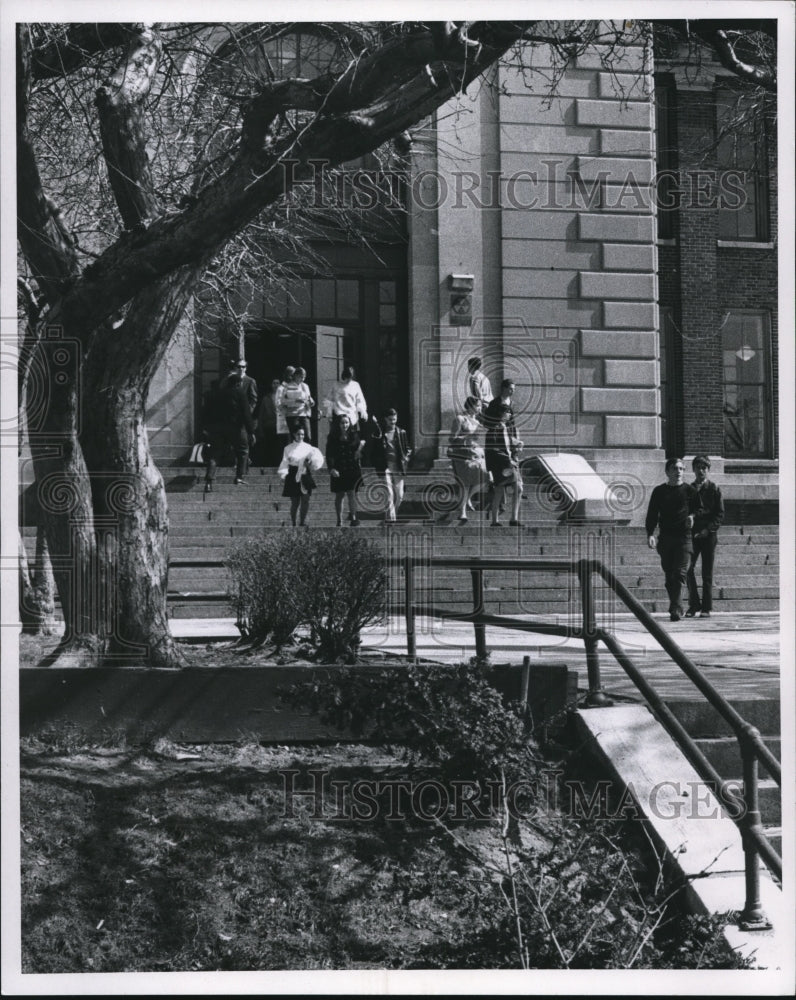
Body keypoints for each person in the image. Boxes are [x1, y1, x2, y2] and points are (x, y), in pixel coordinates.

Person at [645, 457, 698, 622]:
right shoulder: (659, 491)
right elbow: (652, 514)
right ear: (667, 472)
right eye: (675, 468)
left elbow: (700, 509)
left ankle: (675, 608)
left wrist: (693, 516)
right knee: (669, 575)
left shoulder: (690, 491)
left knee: (679, 573)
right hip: (666, 538)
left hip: (684, 538)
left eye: (681, 469)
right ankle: (676, 605)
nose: (678, 472)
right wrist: (650, 534)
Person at [686, 454, 724, 619]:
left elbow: (720, 514)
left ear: (708, 470)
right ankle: (694, 605)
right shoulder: (688, 489)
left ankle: (706, 608)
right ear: (693, 469)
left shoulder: (714, 489)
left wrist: (708, 530)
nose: (701, 471)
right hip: (692, 535)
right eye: (698, 468)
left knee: (707, 573)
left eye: (704, 468)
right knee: (688, 569)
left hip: (709, 535)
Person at [447, 395, 487, 522]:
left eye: (480, 405)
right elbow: (452, 439)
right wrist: (467, 437)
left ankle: (468, 498)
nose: (479, 408)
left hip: (476, 453)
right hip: (462, 455)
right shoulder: (460, 419)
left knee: (486, 477)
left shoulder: (478, 422)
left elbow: (479, 439)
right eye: (477, 405)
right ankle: (462, 511)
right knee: (464, 483)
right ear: (469, 406)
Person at [484, 403, 524, 526]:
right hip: (500, 465)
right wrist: (508, 459)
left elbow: (508, 443)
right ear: (500, 414)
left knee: (519, 488)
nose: (510, 414)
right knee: (499, 491)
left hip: (509, 464)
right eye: (507, 412)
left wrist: (518, 445)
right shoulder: (493, 430)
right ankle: (495, 521)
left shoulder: (506, 428)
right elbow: (493, 450)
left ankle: (514, 518)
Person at [371, 408, 412, 523]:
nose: (393, 422)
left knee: (400, 495)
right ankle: (391, 519)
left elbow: (408, 448)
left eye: (394, 419)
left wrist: (407, 457)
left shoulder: (401, 432)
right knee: (389, 492)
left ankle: (393, 513)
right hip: (385, 466)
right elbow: (374, 450)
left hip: (398, 465)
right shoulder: (380, 433)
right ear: (385, 420)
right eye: (390, 420)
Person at [277, 427, 325, 526]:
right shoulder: (288, 448)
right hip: (293, 474)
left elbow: (314, 461)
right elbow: (285, 462)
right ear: (294, 434)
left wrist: (310, 463)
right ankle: (294, 523)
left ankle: (302, 522)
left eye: (302, 434)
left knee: (305, 499)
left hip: (305, 473)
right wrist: (284, 474)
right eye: (298, 434)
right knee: (295, 502)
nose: (301, 436)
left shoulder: (309, 447)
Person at [326, 413, 364, 526]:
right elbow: (329, 454)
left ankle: (353, 517)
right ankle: (339, 519)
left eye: (347, 422)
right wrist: (331, 468)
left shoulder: (354, 435)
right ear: (338, 424)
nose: (345, 425)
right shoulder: (332, 436)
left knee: (352, 493)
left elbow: (359, 451)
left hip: (352, 468)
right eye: (342, 423)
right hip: (339, 468)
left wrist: (360, 452)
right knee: (340, 495)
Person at [324, 365, 368, 437]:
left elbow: (360, 399)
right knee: (338, 438)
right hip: (339, 416)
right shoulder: (336, 385)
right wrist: (329, 413)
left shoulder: (355, 385)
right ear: (344, 376)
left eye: (350, 378)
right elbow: (329, 400)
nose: (348, 380)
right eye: (347, 378)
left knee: (352, 438)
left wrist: (363, 410)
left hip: (352, 416)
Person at [279, 366, 315, 442]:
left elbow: (309, 398)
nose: (302, 379)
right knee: (295, 437)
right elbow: (283, 401)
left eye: (304, 377)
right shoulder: (287, 386)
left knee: (307, 437)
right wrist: (295, 401)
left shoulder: (305, 386)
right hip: (293, 415)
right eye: (301, 377)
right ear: (295, 375)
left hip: (304, 414)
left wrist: (311, 402)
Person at [255, 378, 283, 466]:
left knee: (279, 447)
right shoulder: (266, 398)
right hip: (269, 426)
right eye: (274, 383)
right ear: (271, 385)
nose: (276, 385)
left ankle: (278, 464)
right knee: (269, 446)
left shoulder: (283, 398)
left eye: (278, 383)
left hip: (281, 427)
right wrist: (260, 428)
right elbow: (261, 414)